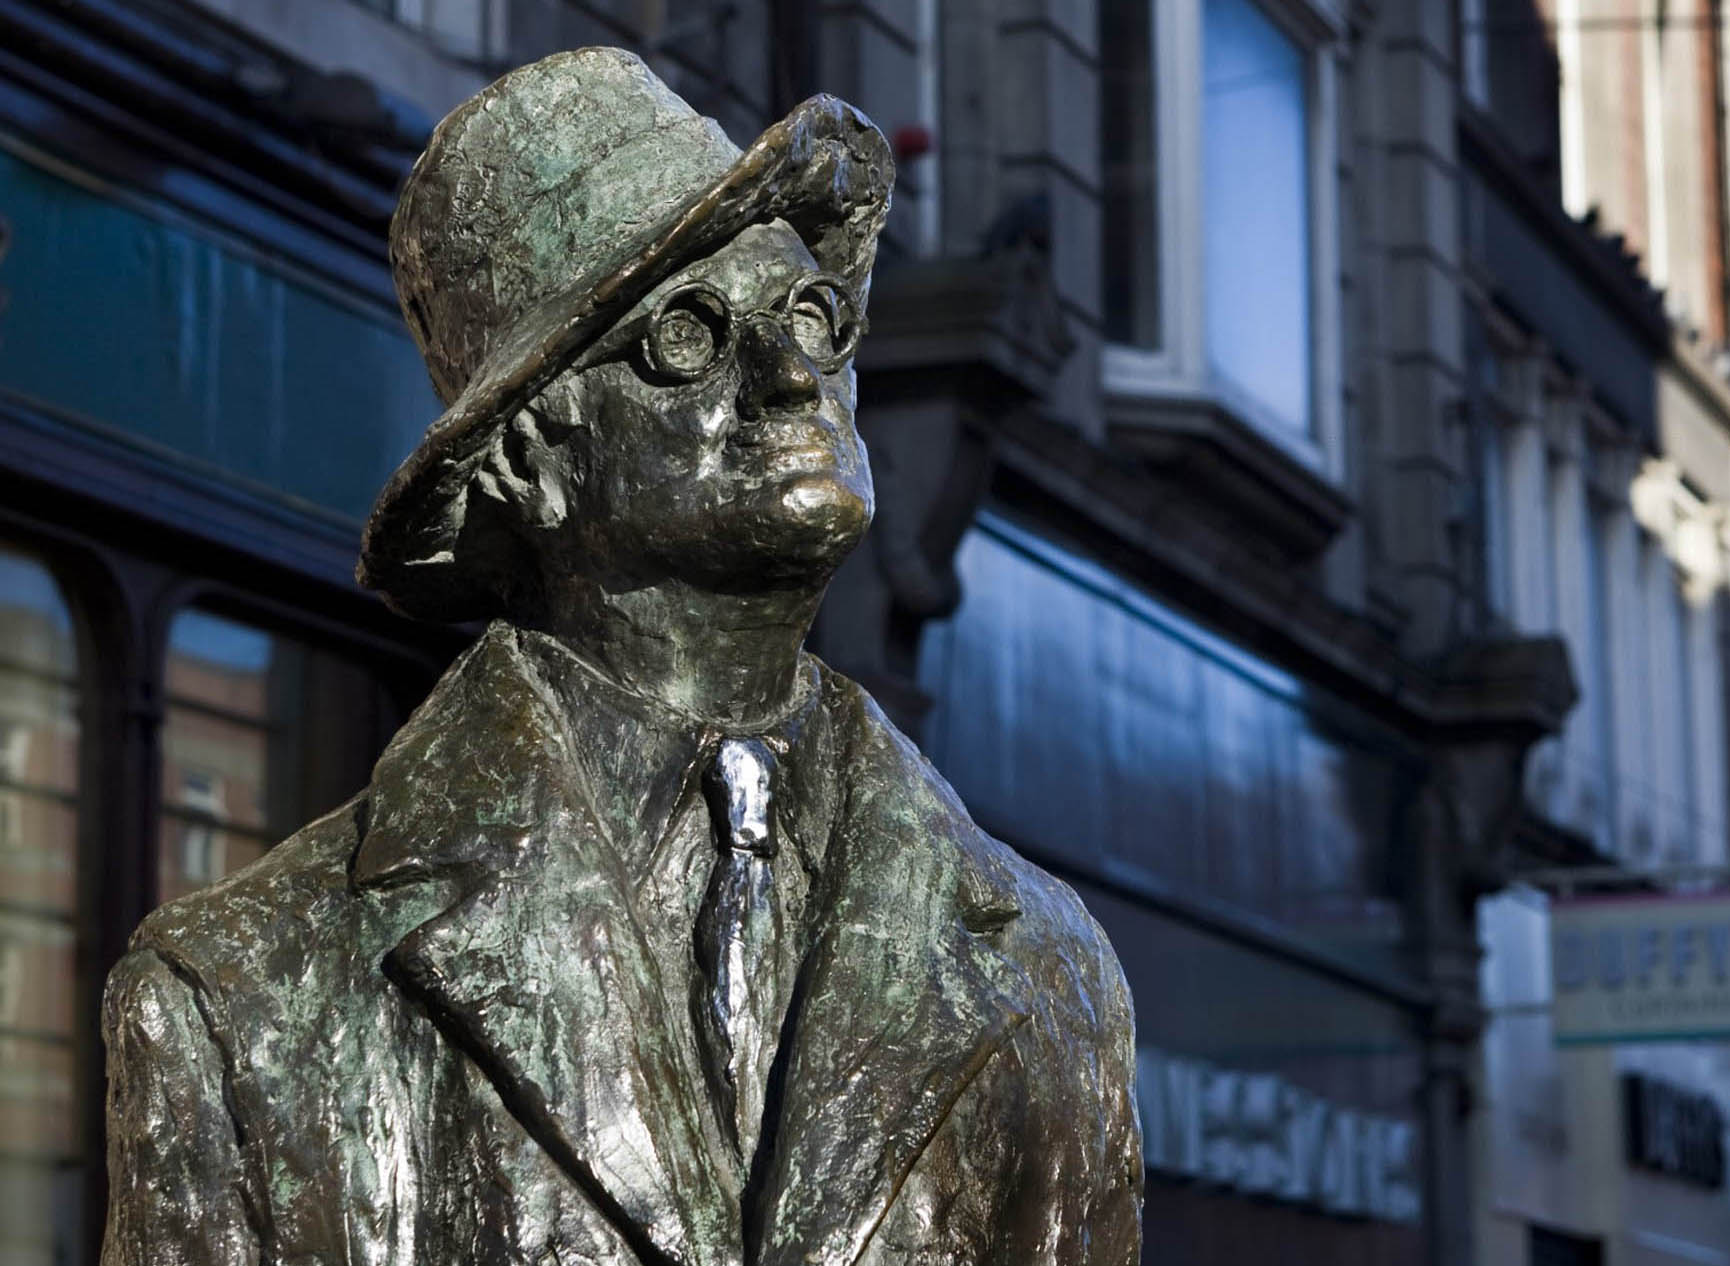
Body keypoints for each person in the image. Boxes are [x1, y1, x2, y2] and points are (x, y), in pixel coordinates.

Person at [100, 47, 1140, 1266]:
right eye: (688, 338)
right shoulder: (243, 995)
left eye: (810, 312)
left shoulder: (1051, 968)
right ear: (525, 462)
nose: (797, 373)